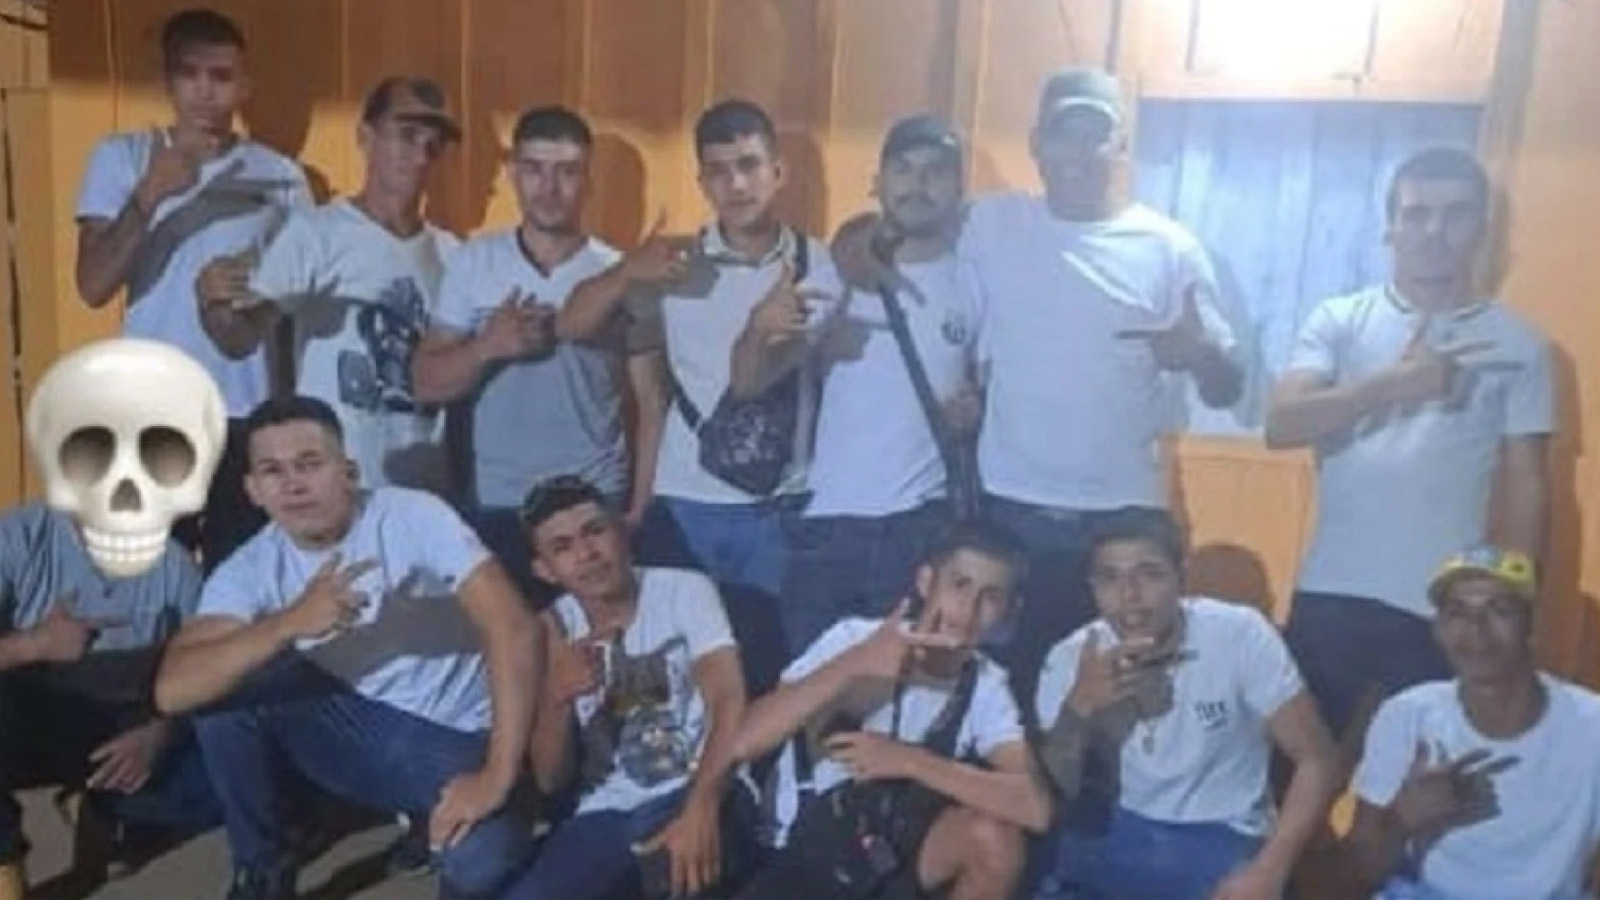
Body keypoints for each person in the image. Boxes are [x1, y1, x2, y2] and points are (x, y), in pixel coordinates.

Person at [833, 67, 1241, 699]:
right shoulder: (992, 224)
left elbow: (1226, 389)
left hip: (1123, 516)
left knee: (1124, 689)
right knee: (1005, 688)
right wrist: (853, 240)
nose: (1077, 152)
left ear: (1121, 145)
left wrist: (1204, 356)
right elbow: (903, 220)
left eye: (1094, 135)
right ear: (1035, 144)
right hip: (1010, 508)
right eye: (1061, 134)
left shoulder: (1171, 249)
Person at [152, 395, 541, 900]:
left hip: (457, 736)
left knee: (480, 862)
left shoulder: (410, 515)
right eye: (273, 471)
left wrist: (496, 775)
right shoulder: (251, 567)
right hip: (357, 727)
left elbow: (515, 627)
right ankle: (262, 871)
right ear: (253, 491)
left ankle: (435, 816)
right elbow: (173, 689)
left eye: (309, 464)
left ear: (348, 472)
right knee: (223, 695)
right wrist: (290, 622)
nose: (293, 485)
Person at [1266, 147, 1554, 744]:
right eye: (1417, 214)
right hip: (1332, 589)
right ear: (1390, 227)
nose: (1434, 231)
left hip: (1448, 604)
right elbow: (1282, 424)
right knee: (1300, 771)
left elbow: (1529, 483)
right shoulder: (1341, 318)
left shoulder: (1520, 344)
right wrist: (1392, 385)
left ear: (1482, 229)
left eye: (1455, 214)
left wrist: (1515, 600)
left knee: (1428, 777)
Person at [557, 98, 844, 609]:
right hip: (684, 499)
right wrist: (626, 271)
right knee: (682, 648)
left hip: (780, 503)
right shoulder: (674, 263)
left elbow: (754, 379)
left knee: (769, 648)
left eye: (749, 165)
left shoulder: (817, 264)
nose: (736, 185)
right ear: (702, 183)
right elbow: (571, 325)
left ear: (778, 172)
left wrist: (758, 329)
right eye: (719, 171)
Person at [73, 7, 312, 572]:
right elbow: (92, 285)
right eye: (190, 73)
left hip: (248, 414)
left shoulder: (282, 176)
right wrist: (150, 195)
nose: (205, 91)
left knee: (242, 580)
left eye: (221, 76)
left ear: (244, 86)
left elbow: (297, 305)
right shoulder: (124, 156)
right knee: (148, 578)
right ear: (167, 80)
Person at [733, 521, 1053, 900]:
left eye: (991, 597)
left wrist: (909, 761)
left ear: (1010, 611)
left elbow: (1035, 808)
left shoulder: (987, 683)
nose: (968, 609)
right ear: (926, 582)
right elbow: (744, 741)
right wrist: (854, 666)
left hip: (891, 857)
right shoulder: (855, 638)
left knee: (995, 840)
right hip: (803, 859)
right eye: (959, 585)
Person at [1032, 507, 1339, 900]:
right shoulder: (1072, 656)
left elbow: (1317, 759)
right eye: (1110, 578)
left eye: (1149, 574)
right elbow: (1050, 795)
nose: (1129, 596)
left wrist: (1269, 870)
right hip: (1116, 828)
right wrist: (1080, 706)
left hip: (1222, 832)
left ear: (1182, 576)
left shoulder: (1239, 634)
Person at [197, 76, 465, 500]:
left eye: (433, 144)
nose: (420, 156)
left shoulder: (453, 255)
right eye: (407, 136)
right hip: (336, 491)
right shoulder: (316, 233)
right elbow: (240, 337)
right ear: (366, 137)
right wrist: (212, 301)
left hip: (423, 493)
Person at [778, 114, 984, 656]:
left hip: (923, 526)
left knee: (907, 684)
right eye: (904, 169)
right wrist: (767, 332)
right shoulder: (836, 273)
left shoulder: (973, 280)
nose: (918, 184)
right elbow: (758, 374)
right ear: (878, 182)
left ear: (959, 188)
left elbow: (988, 384)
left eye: (936, 172)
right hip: (825, 521)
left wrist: (975, 410)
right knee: (809, 687)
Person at [412, 106, 631, 607]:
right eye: (534, 169)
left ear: (589, 179)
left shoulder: (615, 272)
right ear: (512, 173)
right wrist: (488, 346)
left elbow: (646, 397)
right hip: (497, 500)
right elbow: (425, 382)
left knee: (598, 641)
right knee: (506, 645)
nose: (549, 188)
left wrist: (638, 502)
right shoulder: (474, 262)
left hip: (593, 502)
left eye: (566, 172)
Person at [501, 476, 758, 898]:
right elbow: (549, 780)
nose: (587, 554)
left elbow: (728, 700)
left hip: (702, 785)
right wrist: (558, 698)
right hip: (606, 811)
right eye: (563, 547)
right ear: (544, 570)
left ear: (622, 531)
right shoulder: (550, 631)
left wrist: (702, 805)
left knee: (668, 877)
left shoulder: (684, 591)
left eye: (595, 531)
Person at [1343, 545, 1600, 900]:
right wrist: (1403, 818)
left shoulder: (1591, 725)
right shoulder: (1406, 714)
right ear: (1438, 630)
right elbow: (1360, 872)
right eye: (1457, 613)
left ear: (1532, 625)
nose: (1476, 630)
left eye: (1499, 610)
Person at [0, 502, 219, 899]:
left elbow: (211, 670)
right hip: (22, 718)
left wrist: (159, 734)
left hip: (120, 728)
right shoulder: (15, 538)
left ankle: (104, 808)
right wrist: (35, 645)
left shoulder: (175, 566)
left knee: (230, 774)